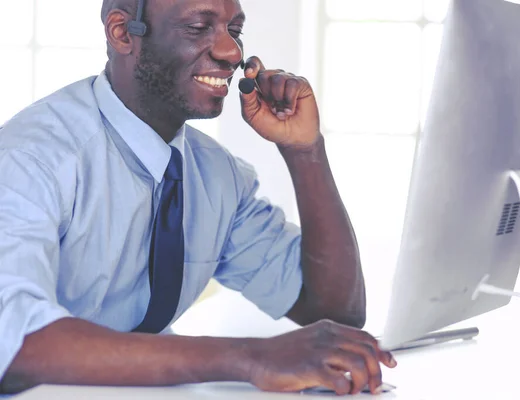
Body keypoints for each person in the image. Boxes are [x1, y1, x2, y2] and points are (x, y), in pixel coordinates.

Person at [0, 0, 397, 395]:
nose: (231, 53)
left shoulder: (216, 175)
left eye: (234, 31)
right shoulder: (32, 159)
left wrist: (305, 151)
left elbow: (333, 311)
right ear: (122, 33)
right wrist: (248, 357)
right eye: (197, 27)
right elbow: (13, 344)